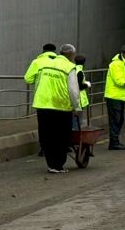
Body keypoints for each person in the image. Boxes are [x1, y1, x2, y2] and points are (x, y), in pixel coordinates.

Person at [33, 43, 80, 174]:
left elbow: (37, 81)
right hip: (61, 106)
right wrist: (76, 106)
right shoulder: (70, 67)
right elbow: (73, 90)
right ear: (71, 54)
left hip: (42, 104)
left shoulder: (46, 64)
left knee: (46, 135)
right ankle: (58, 165)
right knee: (62, 136)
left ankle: (51, 164)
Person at [72, 54, 91, 130]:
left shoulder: (73, 69)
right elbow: (78, 86)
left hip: (73, 96)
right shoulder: (80, 72)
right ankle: (77, 136)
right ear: (84, 63)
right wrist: (87, 85)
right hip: (79, 99)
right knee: (78, 119)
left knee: (73, 117)